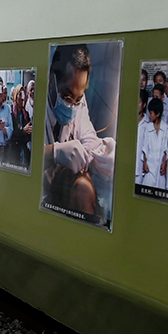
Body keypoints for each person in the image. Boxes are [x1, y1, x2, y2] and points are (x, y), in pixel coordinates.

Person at [42, 44, 116, 219]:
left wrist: (101, 156)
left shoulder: (77, 98)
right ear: (52, 80)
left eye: (78, 98)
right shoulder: (34, 100)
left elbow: (89, 140)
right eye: (67, 96)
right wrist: (52, 153)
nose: (72, 105)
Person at [140, 98, 167, 189]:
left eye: (151, 113)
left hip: (160, 169)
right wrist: (145, 163)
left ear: (157, 114)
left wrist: (164, 163)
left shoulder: (165, 128)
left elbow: (166, 149)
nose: (149, 115)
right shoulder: (148, 127)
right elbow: (145, 148)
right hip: (150, 167)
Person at [10, 85, 33, 167]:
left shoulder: (26, 114)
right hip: (14, 152)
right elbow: (11, 134)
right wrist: (23, 131)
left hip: (25, 153)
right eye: (20, 94)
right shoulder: (11, 113)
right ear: (16, 96)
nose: (22, 97)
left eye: (23, 94)